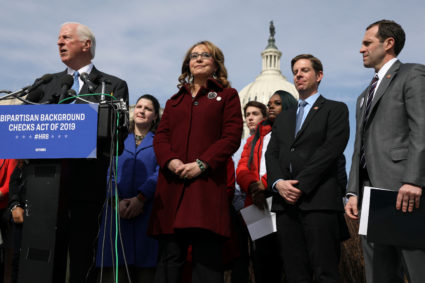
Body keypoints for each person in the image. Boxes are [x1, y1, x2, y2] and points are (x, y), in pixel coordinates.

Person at [24, 22, 129, 282]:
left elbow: (118, 138)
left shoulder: (112, 85)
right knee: (44, 260)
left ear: (86, 44)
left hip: (86, 187)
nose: (59, 42)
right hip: (45, 189)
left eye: (66, 38)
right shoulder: (46, 84)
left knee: (82, 259)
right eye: (58, 38)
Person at [148, 40, 243, 283]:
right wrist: (170, 161)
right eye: (193, 56)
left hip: (206, 190)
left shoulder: (227, 96)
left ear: (215, 64)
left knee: (206, 263)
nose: (198, 59)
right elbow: (161, 138)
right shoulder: (173, 101)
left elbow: (231, 137)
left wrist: (202, 164)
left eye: (205, 55)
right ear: (187, 65)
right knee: (169, 261)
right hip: (172, 189)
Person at [345, 20, 425, 282]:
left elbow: (421, 129)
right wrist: (354, 190)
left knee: (416, 270)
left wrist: (413, 180)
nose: (361, 49)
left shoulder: (412, 75)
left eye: (367, 43)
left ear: (388, 43)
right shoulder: (362, 96)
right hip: (372, 197)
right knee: (378, 273)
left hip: (404, 192)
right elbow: (359, 147)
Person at [266, 54, 349, 283]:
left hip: (319, 202)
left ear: (319, 75)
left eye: (304, 70)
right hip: (285, 205)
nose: (298, 75)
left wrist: (299, 186)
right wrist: (278, 183)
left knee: (326, 272)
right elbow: (271, 153)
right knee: (295, 273)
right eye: (295, 71)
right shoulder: (284, 118)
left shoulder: (335, 109)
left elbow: (330, 151)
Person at [96, 94, 160, 283]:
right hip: (117, 214)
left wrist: (141, 198)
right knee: (116, 273)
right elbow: (109, 172)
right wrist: (116, 200)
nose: (141, 110)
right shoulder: (118, 140)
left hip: (146, 213)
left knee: (145, 273)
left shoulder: (160, 143)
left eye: (148, 108)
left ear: (155, 116)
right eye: (139, 106)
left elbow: (160, 173)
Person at [237, 91, 297, 283]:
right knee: (261, 260)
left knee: (286, 258)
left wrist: (263, 183)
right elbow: (242, 168)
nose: (271, 106)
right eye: (247, 114)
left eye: (276, 103)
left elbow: (283, 163)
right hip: (257, 202)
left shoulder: (290, 134)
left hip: (280, 198)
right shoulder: (252, 140)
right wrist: (254, 187)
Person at [230, 101, 267, 283]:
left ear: (264, 117)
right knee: (239, 258)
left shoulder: (268, 143)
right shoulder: (239, 146)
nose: (250, 118)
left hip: (258, 206)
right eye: (248, 115)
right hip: (238, 208)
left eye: (255, 114)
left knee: (260, 256)